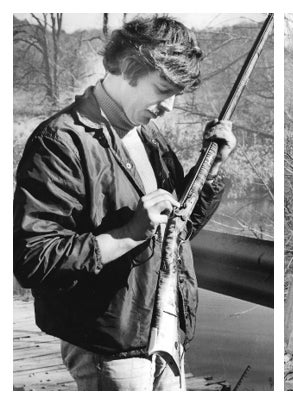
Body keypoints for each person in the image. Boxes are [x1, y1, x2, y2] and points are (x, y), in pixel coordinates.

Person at [13, 16, 236, 391]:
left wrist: (209, 171)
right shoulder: (60, 142)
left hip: (164, 331)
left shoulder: (147, 136)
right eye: (163, 89)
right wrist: (130, 233)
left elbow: (174, 233)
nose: (170, 107)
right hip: (109, 345)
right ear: (129, 68)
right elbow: (34, 260)